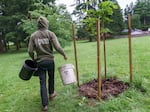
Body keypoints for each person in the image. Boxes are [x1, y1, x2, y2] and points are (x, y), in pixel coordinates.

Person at [28, 16, 67, 112]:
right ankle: (51, 94)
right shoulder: (50, 34)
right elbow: (57, 47)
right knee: (51, 78)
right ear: (46, 23)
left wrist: (34, 59)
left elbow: (30, 51)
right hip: (50, 61)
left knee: (42, 82)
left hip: (40, 62)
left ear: (38, 24)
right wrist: (64, 54)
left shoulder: (33, 36)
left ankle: (45, 106)